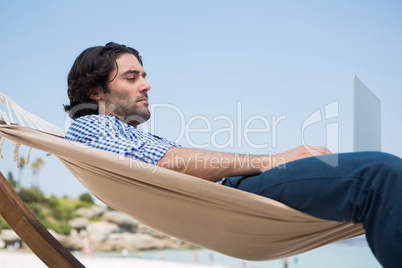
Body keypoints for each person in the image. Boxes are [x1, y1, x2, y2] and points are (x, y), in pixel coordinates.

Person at [64, 42, 402, 268]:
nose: (146, 85)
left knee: (382, 181)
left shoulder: (120, 132)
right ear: (96, 90)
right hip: (235, 194)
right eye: (132, 77)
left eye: (144, 76)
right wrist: (271, 160)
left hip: (235, 193)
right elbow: (165, 163)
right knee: (378, 175)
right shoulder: (90, 126)